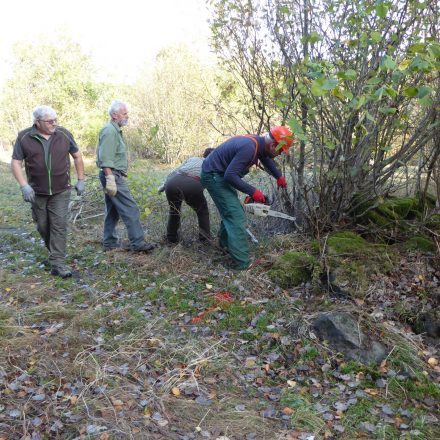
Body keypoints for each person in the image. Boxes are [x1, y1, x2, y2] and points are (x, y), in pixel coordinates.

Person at [201, 126, 293, 270]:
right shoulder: (249, 148)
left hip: (218, 173)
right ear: (273, 145)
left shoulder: (259, 144)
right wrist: (253, 192)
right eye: (280, 150)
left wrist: (278, 176)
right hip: (214, 175)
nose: (280, 154)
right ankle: (242, 264)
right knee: (235, 215)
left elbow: (265, 158)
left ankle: (224, 246)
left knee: (233, 211)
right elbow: (230, 176)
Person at [11, 105, 85, 278]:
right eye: (49, 121)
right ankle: (54, 255)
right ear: (37, 122)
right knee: (43, 226)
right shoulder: (24, 137)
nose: (54, 123)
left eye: (55, 120)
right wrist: (24, 185)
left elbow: (77, 156)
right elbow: (16, 163)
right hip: (36, 192)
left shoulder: (64, 134)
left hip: (61, 190)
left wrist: (81, 179)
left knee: (58, 225)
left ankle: (58, 264)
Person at [96, 100, 156, 252]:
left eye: (127, 113)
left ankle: (109, 243)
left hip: (113, 175)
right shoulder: (109, 131)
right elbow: (105, 158)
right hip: (112, 175)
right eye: (124, 113)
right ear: (114, 115)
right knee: (131, 208)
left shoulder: (115, 130)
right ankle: (138, 243)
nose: (127, 116)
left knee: (113, 210)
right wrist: (110, 179)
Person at [159, 148, 215, 244]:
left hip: (172, 182)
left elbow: (175, 171)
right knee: (202, 212)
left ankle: (171, 239)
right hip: (192, 183)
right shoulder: (212, 164)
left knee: (174, 212)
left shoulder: (193, 159)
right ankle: (204, 241)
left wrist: (164, 185)